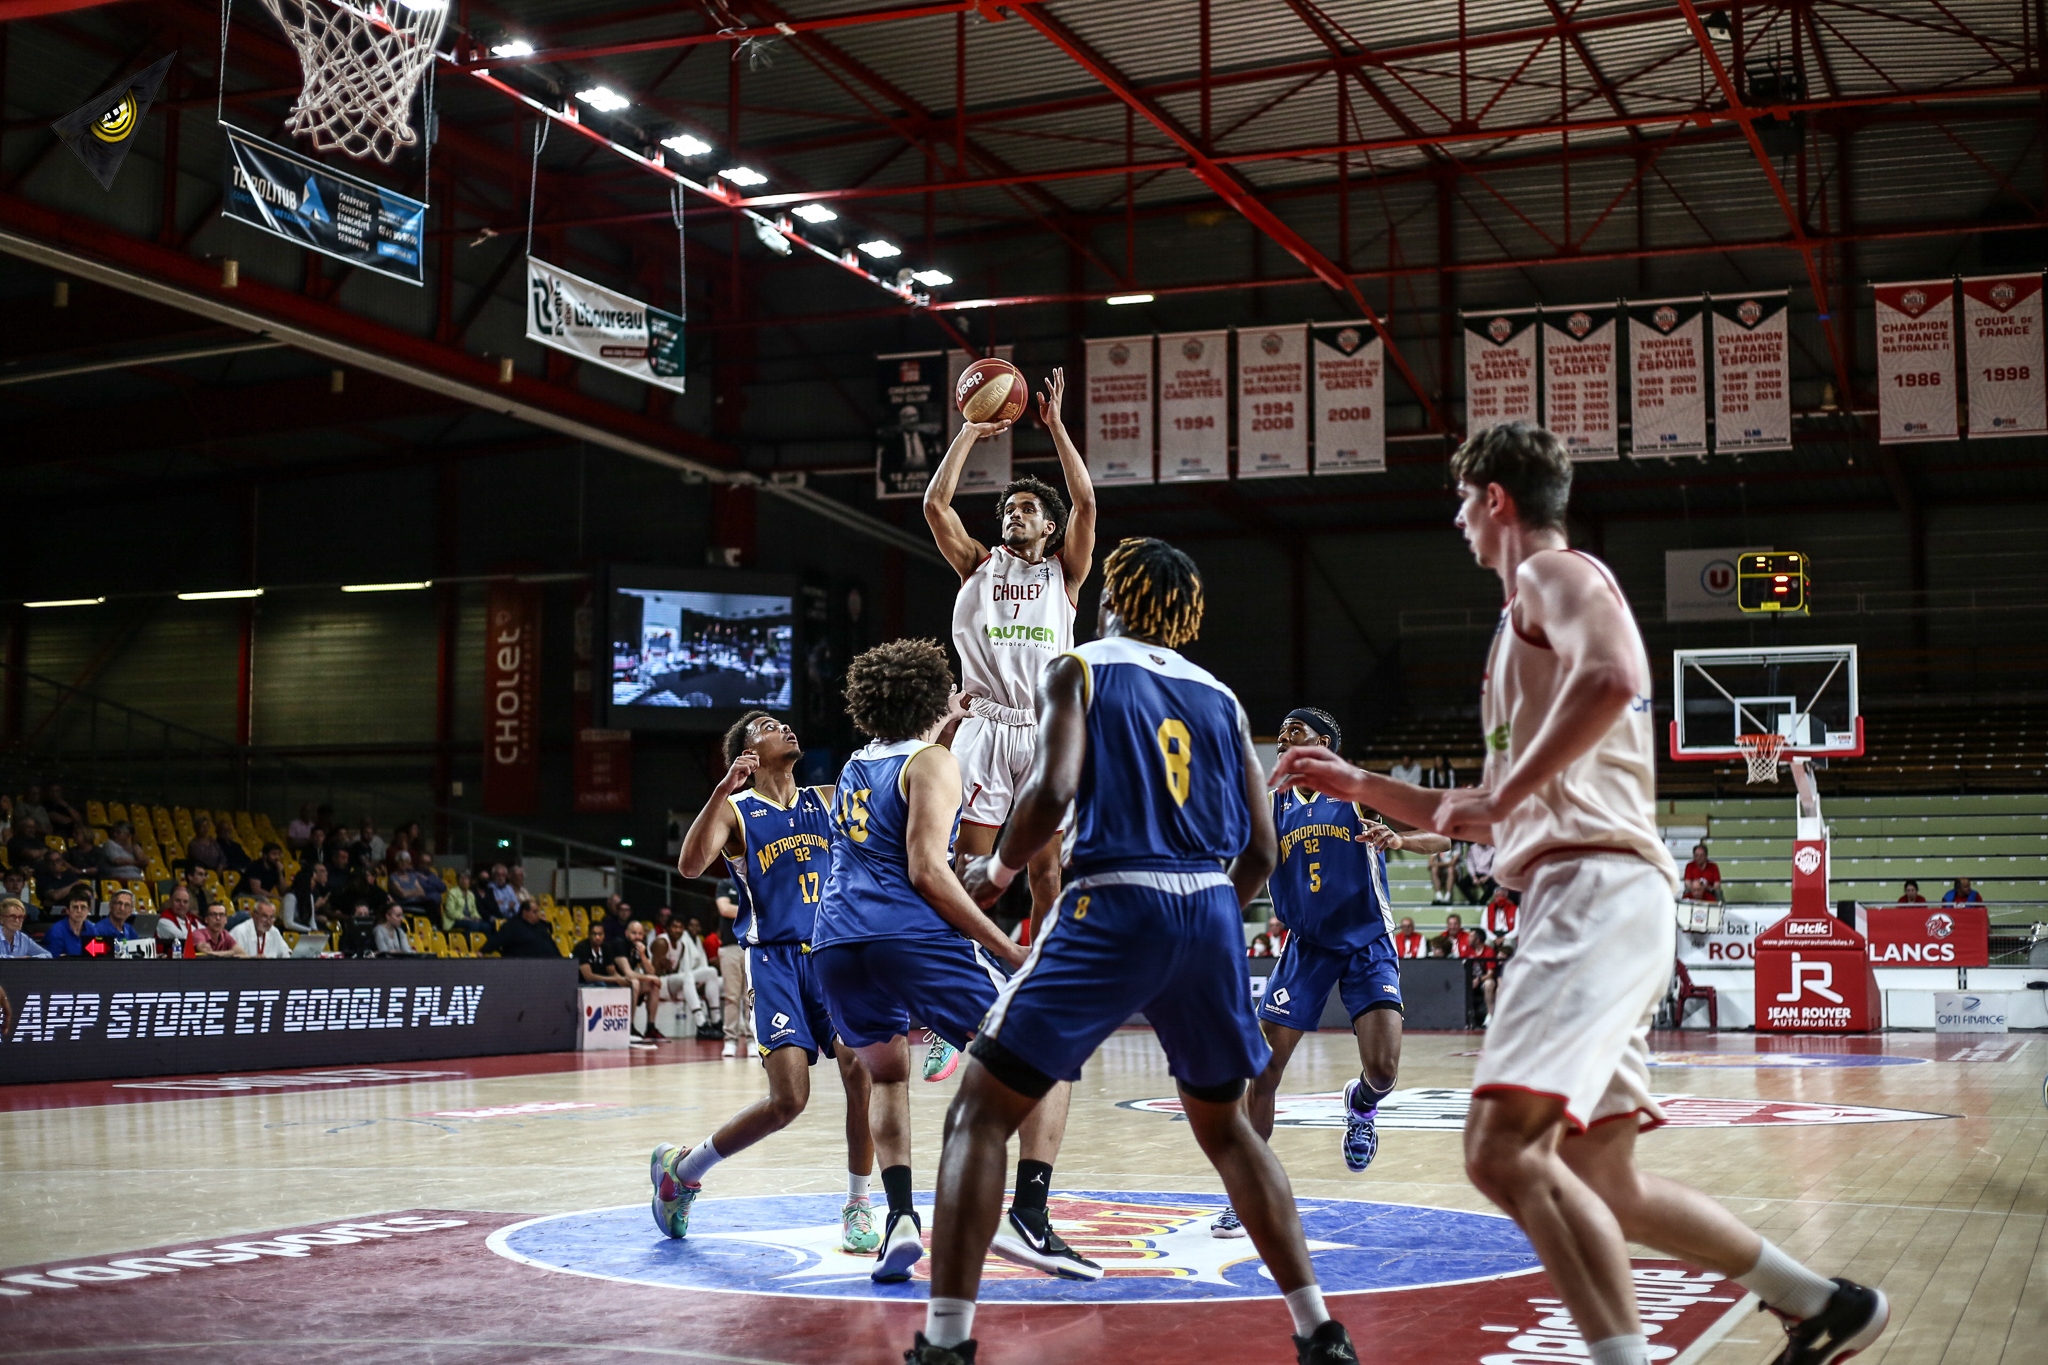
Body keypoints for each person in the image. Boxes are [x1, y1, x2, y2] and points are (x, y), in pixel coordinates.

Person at [1270, 422, 1887, 1365]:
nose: (1457, 518)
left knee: (1498, 1148)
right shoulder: (1527, 628)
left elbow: (1615, 676)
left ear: (1496, 498)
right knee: (1604, 1179)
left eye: (1463, 499)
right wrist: (1357, 785)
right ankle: (1819, 1302)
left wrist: (1507, 795)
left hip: (1592, 889)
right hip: (1596, 892)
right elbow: (1465, 813)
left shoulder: (1553, 577)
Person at [921, 537, 1353, 1365]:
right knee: (1230, 1133)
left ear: (1113, 592)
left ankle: (945, 1345)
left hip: (1113, 898)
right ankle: (1319, 1330)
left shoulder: (1078, 666)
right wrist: (1210, 919)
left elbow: (1050, 790)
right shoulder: (1222, 698)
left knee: (977, 1116)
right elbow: (1260, 849)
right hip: (1209, 909)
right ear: (1186, 612)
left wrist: (999, 867)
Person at [802, 640, 1093, 1287]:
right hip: (907, 938)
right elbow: (927, 872)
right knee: (1053, 1049)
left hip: (837, 945)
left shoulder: (856, 763)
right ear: (933, 697)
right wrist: (1007, 946)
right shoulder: (934, 764)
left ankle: (900, 1217)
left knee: (886, 1077)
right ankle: (1030, 1215)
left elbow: (897, 803)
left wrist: (949, 725)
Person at [1215, 706, 1450, 1238]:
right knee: (1262, 1072)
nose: (1282, 740)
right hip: (1307, 948)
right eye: (1279, 735)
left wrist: (1399, 840)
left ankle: (1360, 1104)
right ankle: (1245, 1192)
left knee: (1385, 1070)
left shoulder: (1358, 789)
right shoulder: (1271, 803)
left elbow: (1444, 840)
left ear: (1325, 742)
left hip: (1367, 942)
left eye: (1294, 732)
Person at [654, 709, 880, 1254]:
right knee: (789, 1101)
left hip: (828, 955)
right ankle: (683, 1170)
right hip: (773, 960)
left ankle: (858, 1203)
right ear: (749, 753)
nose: (787, 727)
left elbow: (887, 775)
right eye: (770, 726)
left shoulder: (824, 797)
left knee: (862, 1067)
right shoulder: (736, 810)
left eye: (786, 722)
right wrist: (719, 791)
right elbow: (689, 865)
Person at [924, 366, 1098, 951]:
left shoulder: (1063, 575)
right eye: (1009, 509)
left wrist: (1055, 428)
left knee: (1046, 873)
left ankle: (1039, 993)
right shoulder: (978, 564)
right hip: (988, 726)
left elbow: (1087, 501)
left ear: (1050, 526)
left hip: (1044, 729)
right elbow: (935, 503)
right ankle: (956, 1005)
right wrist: (971, 429)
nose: (1015, 514)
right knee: (968, 875)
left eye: (1028, 509)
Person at [575, 922, 662, 1040]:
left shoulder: (605, 947)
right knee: (635, 983)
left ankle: (651, 1027)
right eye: (634, 933)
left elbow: (613, 971)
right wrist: (619, 979)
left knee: (653, 985)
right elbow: (589, 976)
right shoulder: (616, 944)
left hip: (609, 981)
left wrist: (642, 955)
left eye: (640, 934)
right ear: (626, 933)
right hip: (585, 984)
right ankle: (629, 1027)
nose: (597, 937)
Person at [654, 916, 721, 1034]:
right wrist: (667, 968)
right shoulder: (661, 942)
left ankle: (716, 1020)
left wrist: (669, 968)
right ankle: (700, 1022)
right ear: (667, 928)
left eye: (680, 927)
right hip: (657, 984)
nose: (677, 930)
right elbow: (655, 973)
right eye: (674, 927)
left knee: (711, 972)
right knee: (687, 976)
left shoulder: (681, 945)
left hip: (671, 982)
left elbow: (674, 972)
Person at [713, 878, 752, 1058]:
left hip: (752, 946)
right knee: (731, 996)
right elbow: (724, 909)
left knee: (750, 996)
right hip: (729, 947)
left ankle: (753, 1039)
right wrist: (753, 910)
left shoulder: (754, 879)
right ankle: (730, 1040)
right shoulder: (725, 884)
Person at [483, 900, 561, 958]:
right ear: (525, 912)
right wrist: (482, 951)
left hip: (550, 963)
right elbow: (497, 939)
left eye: (538, 912)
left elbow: (551, 944)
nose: (538, 915)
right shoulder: (512, 926)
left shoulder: (540, 926)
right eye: (534, 912)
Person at [283, 860, 331, 933]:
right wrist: (310, 930)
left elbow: (311, 920)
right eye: (313, 880)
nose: (314, 883)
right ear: (306, 881)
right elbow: (288, 924)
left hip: (304, 930)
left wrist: (316, 932)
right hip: (289, 932)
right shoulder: (290, 897)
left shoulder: (310, 896)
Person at [45, 890, 96, 957]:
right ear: (67, 910)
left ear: (88, 910)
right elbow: (54, 961)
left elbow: (97, 957)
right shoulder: (56, 931)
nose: (79, 911)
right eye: (75, 907)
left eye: (83, 907)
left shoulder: (92, 929)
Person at [156, 884, 204, 957]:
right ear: (170, 901)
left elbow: (207, 933)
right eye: (178, 901)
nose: (182, 904)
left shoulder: (192, 918)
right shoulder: (163, 920)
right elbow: (184, 938)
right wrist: (201, 938)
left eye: (185, 902)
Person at [440, 868, 486, 933]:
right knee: (473, 925)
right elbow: (450, 912)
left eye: (466, 879)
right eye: (462, 878)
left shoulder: (471, 894)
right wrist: (464, 917)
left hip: (469, 919)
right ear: (458, 881)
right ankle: (468, 942)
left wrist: (477, 917)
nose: (464, 881)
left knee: (486, 926)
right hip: (454, 921)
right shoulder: (452, 892)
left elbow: (474, 910)